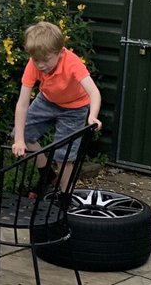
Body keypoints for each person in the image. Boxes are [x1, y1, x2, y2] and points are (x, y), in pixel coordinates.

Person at [11, 20, 101, 194]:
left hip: (75, 108)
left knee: (64, 155)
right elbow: (22, 103)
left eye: (45, 60)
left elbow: (94, 92)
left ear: (60, 52)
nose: (40, 65)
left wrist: (93, 116)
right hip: (46, 101)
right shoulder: (33, 65)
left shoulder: (72, 63)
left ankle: (65, 195)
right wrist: (19, 140)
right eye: (36, 60)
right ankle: (47, 175)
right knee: (21, 135)